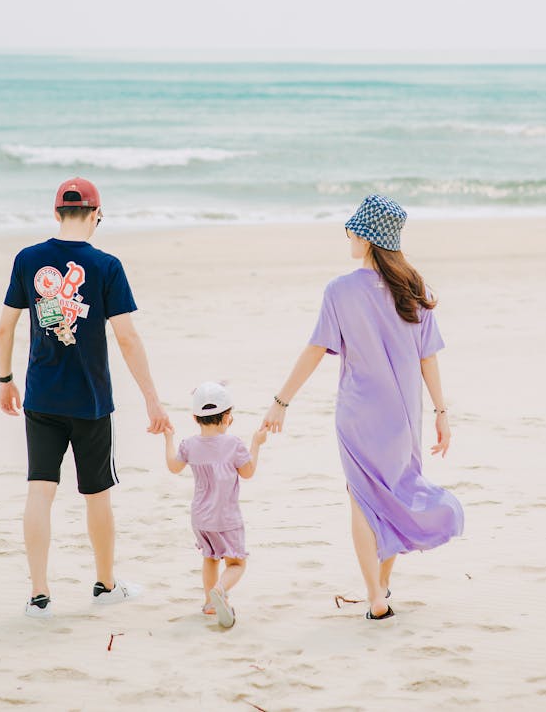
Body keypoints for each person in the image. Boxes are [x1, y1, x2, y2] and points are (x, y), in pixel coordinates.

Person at [263, 194, 464, 621]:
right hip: (405, 416)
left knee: (362, 498)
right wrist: (441, 413)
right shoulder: (416, 289)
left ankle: (375, 594)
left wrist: (281, 402)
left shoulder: (340, 290)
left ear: (368, 237)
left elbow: (316, 348)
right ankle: (382, 588)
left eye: (353, 229)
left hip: (357, 414)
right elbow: (429, 357)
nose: (348, 236)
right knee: (393, 495)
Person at [0, 176, 170, 618]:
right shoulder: (108, 266)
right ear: (97, 216)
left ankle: (39, 597)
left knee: (40, 490)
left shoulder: (29, 259)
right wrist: (152, 398)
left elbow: (5, 326)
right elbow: (127, 338)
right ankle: (105, 585)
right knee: (97, 495)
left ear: (56, 213)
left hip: (41, 399)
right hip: (92, 402)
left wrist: (5, 379)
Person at [163, 381, 267, 628]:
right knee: (236, 562)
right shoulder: (234, 445)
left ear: (195, 417)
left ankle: (210, 604)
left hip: (200, 517)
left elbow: (173, 467)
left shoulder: (189, 444)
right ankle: (219, 591)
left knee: (210, 557)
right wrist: (256, 444)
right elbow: (248, 471)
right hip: (226, 517)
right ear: (227, 417)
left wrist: (168, 438)